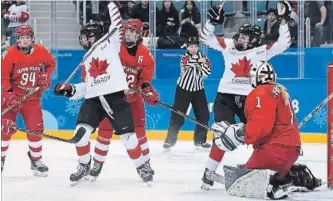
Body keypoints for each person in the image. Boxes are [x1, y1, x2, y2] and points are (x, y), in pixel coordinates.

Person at [53, 2, 153, 185]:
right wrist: (70, 90)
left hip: (115, 97)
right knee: (81, 133)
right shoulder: (86, 58)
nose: (83, 40)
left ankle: (141, 165)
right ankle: (84, 164)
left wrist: (111, 4)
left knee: (129, 137)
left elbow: (116, 23)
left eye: (86, 37)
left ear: (94, 36)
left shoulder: (111, 44)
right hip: (94, 100)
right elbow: (88, 86)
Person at [199, 1, 292, 189]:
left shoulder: (261, 50)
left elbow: (284, 43)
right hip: (225, 98)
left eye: (246, 37)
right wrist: (211, 21)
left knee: (261, 135)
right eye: (241, 35)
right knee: (222, 133)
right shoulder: (229, 45)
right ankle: (209, 172)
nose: (241, 39)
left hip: (251, 100)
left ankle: (272, 170)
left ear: (255, 39)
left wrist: (283, 21)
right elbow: (205, 38)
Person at [210, 61, 322, 199]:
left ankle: (275, 184)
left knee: (243, 180)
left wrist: (239, 134)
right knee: (249, 171)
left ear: (258, 77)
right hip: (291, 150)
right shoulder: (280, 90)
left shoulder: (260, 92)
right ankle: (296, 175)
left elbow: (260, 129)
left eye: (252, 77)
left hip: (274, 151)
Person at [93, 18, 159, 181]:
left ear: (139, 34)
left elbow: (145, 79)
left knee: (139, 131)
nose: (129, 34)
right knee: (105, 131)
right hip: (113, 99)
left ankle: (145, 164)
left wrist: (147, 90)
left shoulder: (145, 54)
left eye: (132, 31)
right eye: (127, 31)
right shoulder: (114, 48)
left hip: (134, 99)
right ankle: (97, 163)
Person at [1, 24, 56, 176]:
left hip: (32, 98)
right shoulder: (8, 54)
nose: (24, 41)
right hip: (12, 95)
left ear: (32, 39)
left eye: (27, 37)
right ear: (17, 39)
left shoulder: (41, 51)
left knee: (35, 130)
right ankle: (1, 159)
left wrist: (45, 75)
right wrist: (10, 95)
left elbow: (51, 64)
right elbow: (4, 78)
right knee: (5, 129)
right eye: (21, 38)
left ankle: (36, 160)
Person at [163, 37, 211, 150]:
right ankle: (170, 140)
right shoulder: (184, 58)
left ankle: (200, 140)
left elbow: (207, 72)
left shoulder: (204, 58)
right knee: (177, 115)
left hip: (198, 90)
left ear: (198, 47)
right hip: (183, 89)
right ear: (187, 47)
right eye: (191, 46)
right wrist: (200, 62)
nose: (193, 49)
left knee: (204, 115)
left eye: (195, 46)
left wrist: (202, 63)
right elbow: (187, 66)